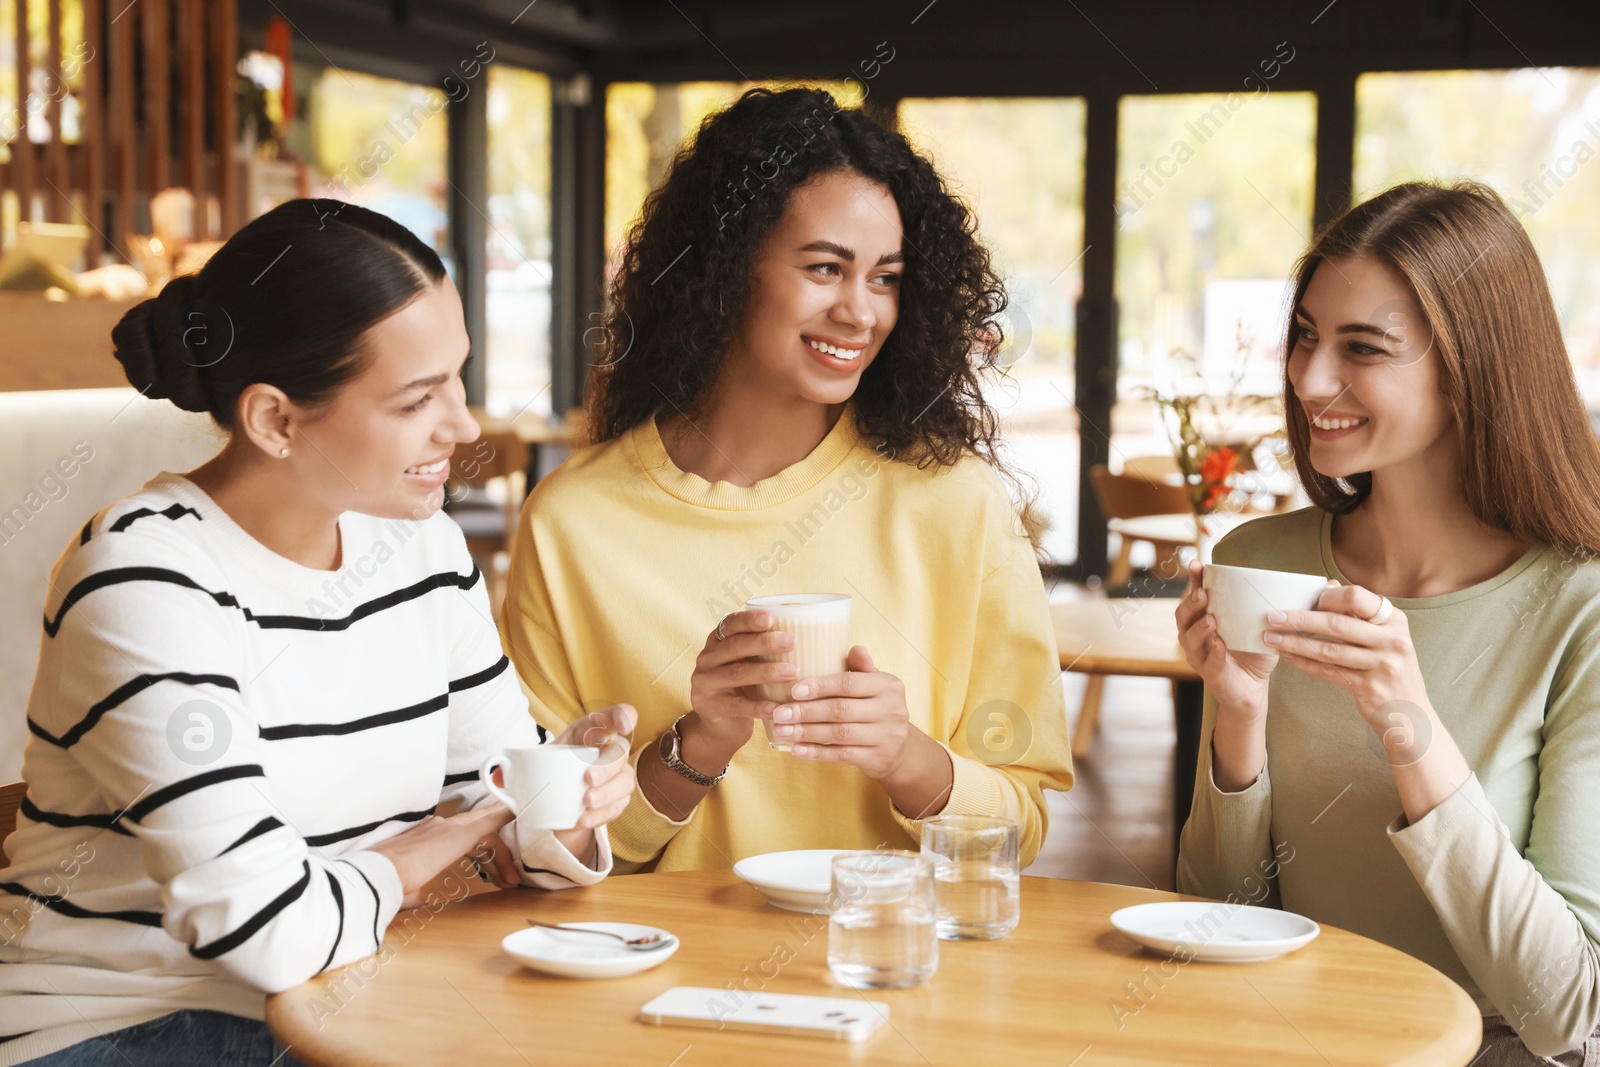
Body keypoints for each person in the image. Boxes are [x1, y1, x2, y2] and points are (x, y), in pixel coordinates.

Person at [0, 199, 635, 1067]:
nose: (462, 423)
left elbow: (495, 819)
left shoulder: (424, 549)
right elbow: (261, 930)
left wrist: (567, 800)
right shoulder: (144, 579)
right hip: (130, 1024)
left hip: (353, 996)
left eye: (458, 377)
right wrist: (417, 856)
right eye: (417, 399)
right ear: (275, 420)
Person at [500, 86, 1073, 873]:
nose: (861, 311)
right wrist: (698, 743)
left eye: (886, 278)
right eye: (826, 267)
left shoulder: (958, 504)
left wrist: (905, 756)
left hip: (895, 972)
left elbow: (1020, 828)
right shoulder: (573, 521)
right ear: (727, 267)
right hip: (653, 982)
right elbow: (539, 842)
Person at [1176, 181, 1600, 1064]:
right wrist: (1240, 717)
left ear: (1473, 368)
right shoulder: (1263, 560)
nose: (1309, 376)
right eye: (1305, 336)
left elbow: (1564, 1010)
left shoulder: (1577, 606)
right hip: (1281, 1033)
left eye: (1361, 347)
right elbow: (1216, 918)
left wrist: (1408, 724)